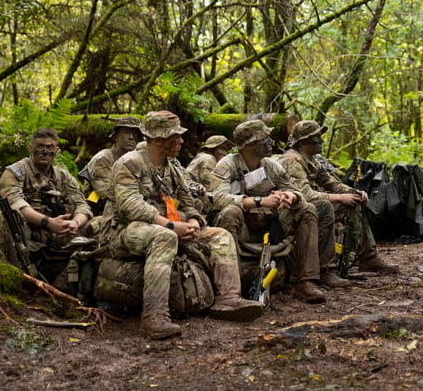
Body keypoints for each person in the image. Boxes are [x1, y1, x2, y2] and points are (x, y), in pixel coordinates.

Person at [99, 111, 263, 339]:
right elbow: (130, 206)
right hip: (124, 229)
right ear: (158, 139)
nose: (181, 141)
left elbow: (187, 201)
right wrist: (170, 227)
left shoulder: (173, 167)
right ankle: (154, 317)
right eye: (175, 136)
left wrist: (195, 221)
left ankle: (228, 299)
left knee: (220, 235)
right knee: (164, 238)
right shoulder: (130, 163)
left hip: (167, 225)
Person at [212, 120, 326, 304]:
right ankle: (230, 289)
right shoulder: (227, 164)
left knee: (307, 209)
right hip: (242, 228)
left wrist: (290, 197)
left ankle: (306, 282)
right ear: (250, 144)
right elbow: (217, 199)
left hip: (271, 226)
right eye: (265, 139)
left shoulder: (271, 165)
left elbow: (298, 192)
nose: (271, 142)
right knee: (230, 212)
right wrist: (259, 201)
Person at [275, 120, 400, 287]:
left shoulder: (311, 160)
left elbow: (331, 183)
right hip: (291, 211)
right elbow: (305, 195)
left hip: (311, 206)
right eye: (316, 138)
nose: (321, 141)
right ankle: (326, 270)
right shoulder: (292, 160)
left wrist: (353, 193)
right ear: (303, 142)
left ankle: (368, 257)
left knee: (353, 202)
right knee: (328, 207)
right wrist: (340, 198)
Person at [0, 128, 93, 287]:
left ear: (57, 151)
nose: (45, 152)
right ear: (31, 148)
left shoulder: (63, 176)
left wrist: (75, 223)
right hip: (25, 236)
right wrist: (48, 222)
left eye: (50, 148)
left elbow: (82, 205)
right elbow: (15, 203)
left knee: (95, 226)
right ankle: (11, 279)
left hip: (56, 237)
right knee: (7, 216)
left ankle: (68, 286)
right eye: (40, 147)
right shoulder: (16, 172)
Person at [80, 116, 143, 214]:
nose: (131, 137)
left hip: (132, 207)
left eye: (134, 134)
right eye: (126, 132)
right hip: (101, 212)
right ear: (115, 137)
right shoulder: (103, 159)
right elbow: (106, 193)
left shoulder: (138, 159)